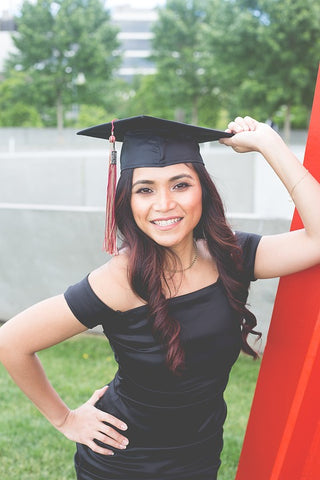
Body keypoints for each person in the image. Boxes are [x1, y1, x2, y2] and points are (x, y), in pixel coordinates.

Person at [0, 115, 319, 480]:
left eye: (180, 185)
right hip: (124, 461)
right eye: (145, 189)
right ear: (127, 201)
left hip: (199, 455)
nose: (164, 204)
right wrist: (65, 419)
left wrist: (268, 144)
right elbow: (11, 342)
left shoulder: (233, 256)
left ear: (203, 189)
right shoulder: (121, 279)